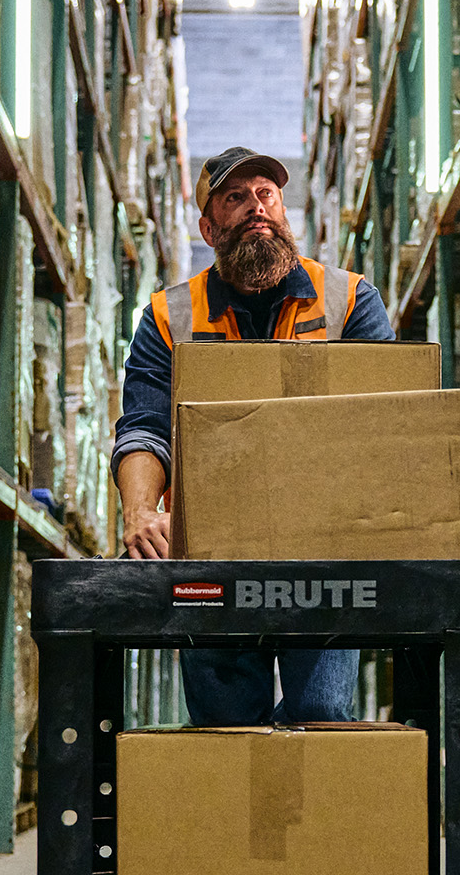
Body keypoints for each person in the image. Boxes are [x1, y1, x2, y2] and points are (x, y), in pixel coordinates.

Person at [111, 145, 395, 725]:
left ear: (284, 210)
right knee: (224, 723)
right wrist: (141, 512)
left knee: (320, 715)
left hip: (326, 549)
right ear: (209, 226)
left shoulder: (349, 299)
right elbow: (143, 426)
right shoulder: (170, 315)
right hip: (211, 550)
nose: (255, 207)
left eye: (266, 194)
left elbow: (389, 425)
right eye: (235, 198)